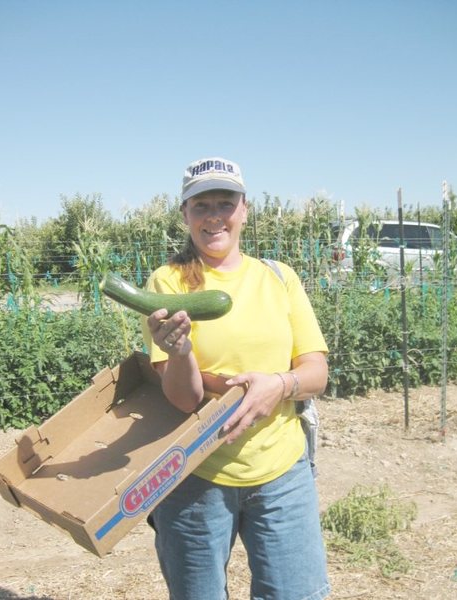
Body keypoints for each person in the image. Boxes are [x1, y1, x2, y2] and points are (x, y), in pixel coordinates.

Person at [141, 157, 331, 600]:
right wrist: (180, 351)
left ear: (244, 209)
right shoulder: (168, 282)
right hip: (194, 473)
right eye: (200, 204)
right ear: (185, 214)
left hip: (283, 473)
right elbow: (185, 400)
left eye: (224, 203)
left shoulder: (279, 277)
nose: (213, 216)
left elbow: (315, 371)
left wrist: (279, 386)